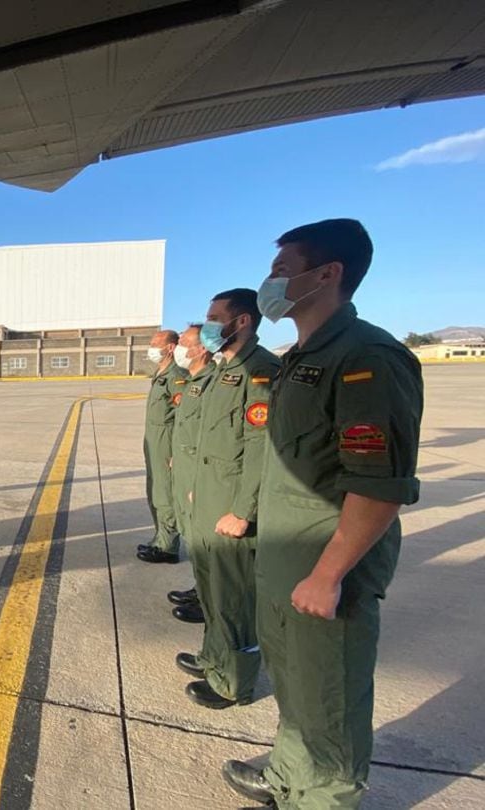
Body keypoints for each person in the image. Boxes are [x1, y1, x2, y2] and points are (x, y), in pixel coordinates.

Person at [222, 219, 423, 808]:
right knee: (296, 687)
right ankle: (288, 776)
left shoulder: (367, 357)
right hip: (288, 560)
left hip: (323, 567)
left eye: (283, 270)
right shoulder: (300, 357)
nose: (270, 283)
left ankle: (323, 796)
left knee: (330, 699)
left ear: (328, 274)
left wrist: (329, 574)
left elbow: (378, 487)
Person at [178, 289, 279, 710]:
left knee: (234, 598)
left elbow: (261, 448)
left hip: (232, 507)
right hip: (207, 500)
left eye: (216, 317)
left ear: (242, 322)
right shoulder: (223, 370)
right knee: (211, 590)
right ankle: (214, 659)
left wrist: (243, 510)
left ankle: (234, 682)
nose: (210, 325)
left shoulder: (261, 371)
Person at [153, 324, 213, 627]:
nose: (179, 348)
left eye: (183, 342)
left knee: (204, 535)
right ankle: (202, 590)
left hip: (200, 466)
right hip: (181, 455)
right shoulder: (192, 380)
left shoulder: (200, 380)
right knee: (186, 522)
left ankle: (209, 598)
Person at [137, 329, 186, 561]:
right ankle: (160, 538)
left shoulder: (177, 376)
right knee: (154, 490)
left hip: (166, 443)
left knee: (165, 493)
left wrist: (178, 451)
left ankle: (168, 547)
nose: (151, 347)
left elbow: (184, 417)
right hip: (154, 442)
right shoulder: (161, 373)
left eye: (156, 343)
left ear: (170, 347)